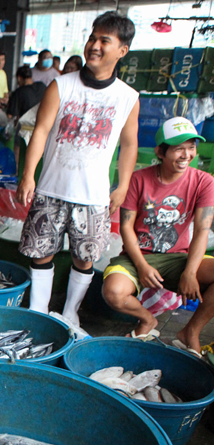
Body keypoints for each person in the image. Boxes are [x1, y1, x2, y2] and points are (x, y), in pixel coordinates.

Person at [17, 11, 139, 326]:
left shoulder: (127, 98)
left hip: (94, 195)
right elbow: (40, 131)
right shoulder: (61, 85)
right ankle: (38, 312)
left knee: (85, 257)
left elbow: (129, 144)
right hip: (51, 188)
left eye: (104, 41)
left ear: (122, 51)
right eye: (92, 38)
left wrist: (123, 184)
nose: (94, 45)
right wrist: (28, 175)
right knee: (40, 252)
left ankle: (70, 315)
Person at [103, 118, 214, 353]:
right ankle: (147, 320)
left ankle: (189, 332)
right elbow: (126, 227)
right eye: (178, 149)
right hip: (137, 255)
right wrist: (142, 267)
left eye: (191, 147)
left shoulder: (204, 182)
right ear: (160, 152)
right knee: (113, 292)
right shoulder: (138, 179)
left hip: (179, 257)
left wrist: (190, 272)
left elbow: (202, 230)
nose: (186, 155)